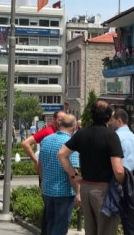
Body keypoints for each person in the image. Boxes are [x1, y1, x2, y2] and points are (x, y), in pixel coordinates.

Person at [58, 100, 124, 235]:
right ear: (109, 117)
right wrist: (124, 183)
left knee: (90, 230)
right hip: (104, 190)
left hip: (86, 188)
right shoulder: (111, 136)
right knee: (107, 230)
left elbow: (62, 154)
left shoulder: (81, 133)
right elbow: (118, 170)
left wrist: (75, 175)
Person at [21, 111, 65, 235]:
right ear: (54, 120)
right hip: (47, 175)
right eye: (59, 119)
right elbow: (25, 143)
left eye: (64, 119)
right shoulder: (48, 131)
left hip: (59, 176)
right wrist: (36, 161)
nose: (62, 122)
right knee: (49, 210)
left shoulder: (64, 132)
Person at [39, 114, 79, 235]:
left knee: (50, 225)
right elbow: (72, 171)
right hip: (64, 192)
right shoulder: (71, 143)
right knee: (60, 227)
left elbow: (40, 165)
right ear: (74, 127)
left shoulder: (46, 140)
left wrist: (43, 182)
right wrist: (78, 191)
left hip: (47, 190)